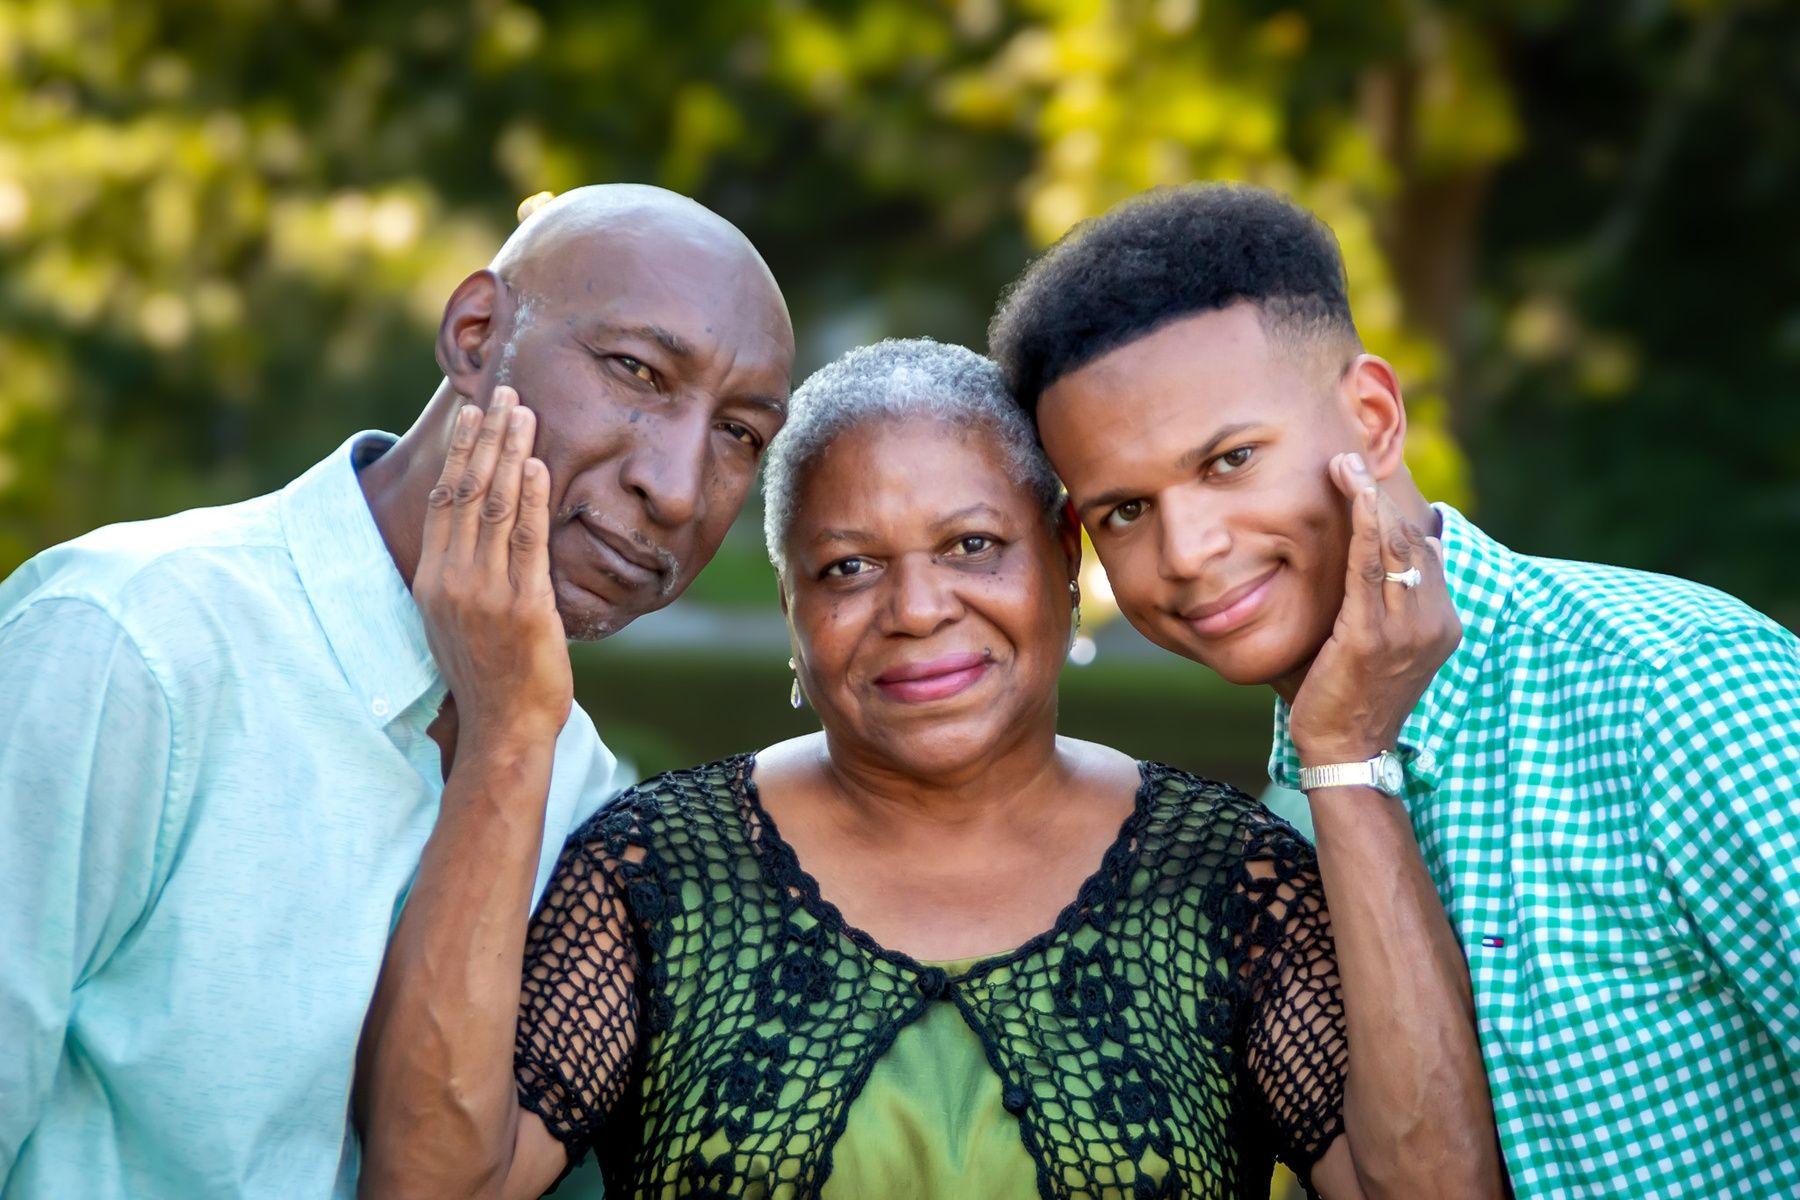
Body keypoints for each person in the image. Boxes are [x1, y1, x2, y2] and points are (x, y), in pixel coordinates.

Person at [356, 338, 1505, 1199]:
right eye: (849, 568)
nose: (915, 611)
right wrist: (511, 732)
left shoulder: (1228, 878)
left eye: (972, 547)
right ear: (797, 610)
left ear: (1063, 560)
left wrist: (1346, 758)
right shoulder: (657, 871)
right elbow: (434, 1181)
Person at [987, 182, 1800, 1198]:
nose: (1188, 552)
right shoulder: (1297, 795)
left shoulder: (1676, 691)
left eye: (1232, 461)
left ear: (1372, 417)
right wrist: (1342, 758)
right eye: (1125, 511)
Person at [0, 185, 795, 1199]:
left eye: (740, 435)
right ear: (474, 336)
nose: (679, 489)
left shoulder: (585, 789)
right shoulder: (129, 648)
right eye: (638, 371)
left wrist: (510, 736)